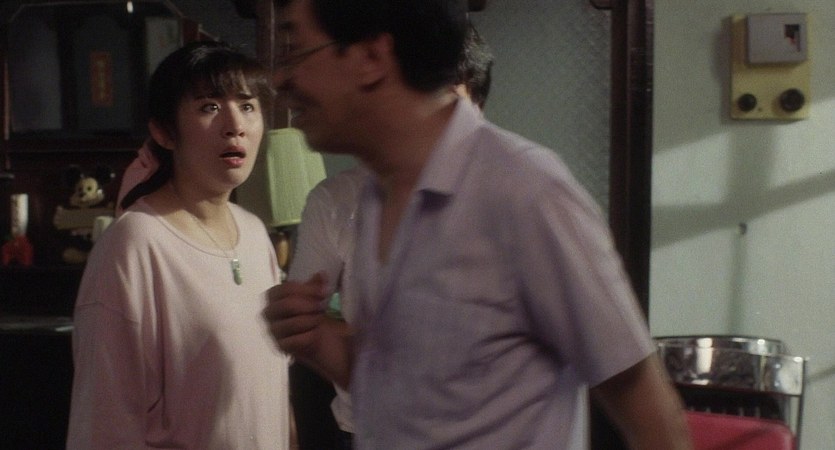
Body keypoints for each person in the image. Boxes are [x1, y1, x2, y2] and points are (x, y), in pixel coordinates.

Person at [264, 1, 693, 449]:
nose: (280, 79)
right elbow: (413, 385)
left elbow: (648, 410)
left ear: (371, 57)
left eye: (297, 49)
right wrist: (316, 341)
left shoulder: (524, 190)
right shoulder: (378, 193)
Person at [67, 41, 292, 449]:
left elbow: (269, 390)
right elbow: (105, 419)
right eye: (209, 107)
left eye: (247, 105)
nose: (235, 125)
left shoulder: (255, 232)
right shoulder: (135, 242)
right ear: (164, 132)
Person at [287, 21, 494, 450]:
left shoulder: (517, 198)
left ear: (478, 108)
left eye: (449, 107)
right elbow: (303, 319)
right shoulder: (338, 200)